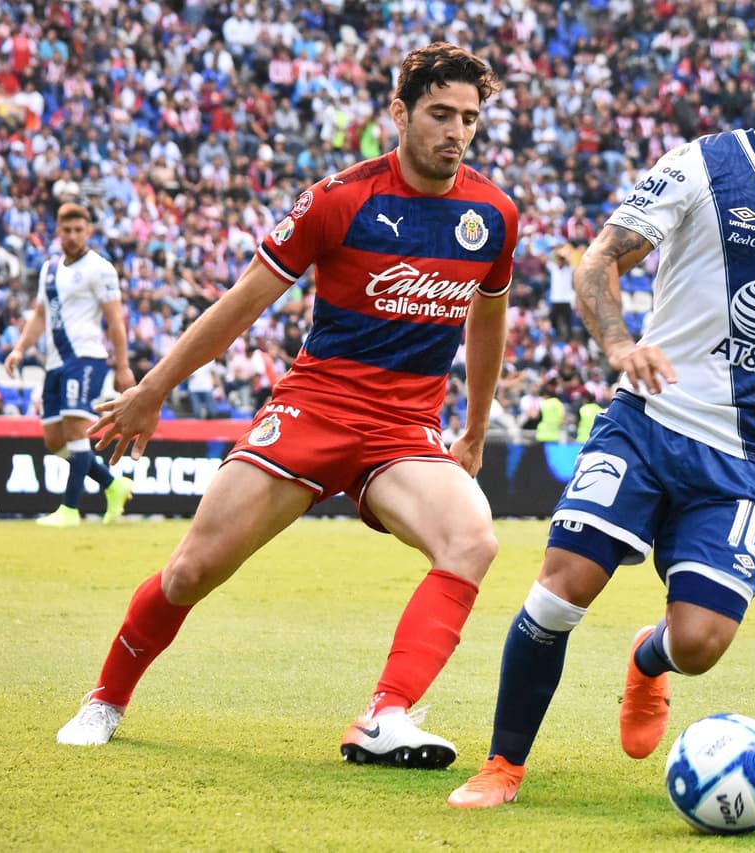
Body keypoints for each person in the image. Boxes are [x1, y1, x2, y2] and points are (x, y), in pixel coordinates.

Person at [448, 35, 755, 808]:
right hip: (649, 424)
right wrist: (620, 345)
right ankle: (503, 765)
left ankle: (647, 660)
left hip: (748, 454)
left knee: (698, 645)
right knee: (560, 591)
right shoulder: (703, 165)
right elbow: (597, 260)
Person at [55, 43, 518, 771]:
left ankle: (384, 714)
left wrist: (475, 428)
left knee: (473, 541)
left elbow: (488, 320)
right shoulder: (339, 199)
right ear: (399, 113)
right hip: (315, 409)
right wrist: (151, 390)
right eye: (439, 114)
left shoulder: (493, 214)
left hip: (403, 431)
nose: (455, 131)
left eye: (468, 118)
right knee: (189, 572)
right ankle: (106, 698)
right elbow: (241, 303)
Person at [3, 203, 135, 527]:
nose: (73, 236)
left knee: (77, 431)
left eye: (79, 230)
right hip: (55, 362)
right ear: (58, 232)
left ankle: (70, 510)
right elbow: (39, 314)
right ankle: (113, 484)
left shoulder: (100, 268)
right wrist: (20, 348)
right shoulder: (49, 270)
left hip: (85, 357)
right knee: (53, 440)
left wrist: (122, 365)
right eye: (67, 230)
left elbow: (114, 319)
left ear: (88, 231)